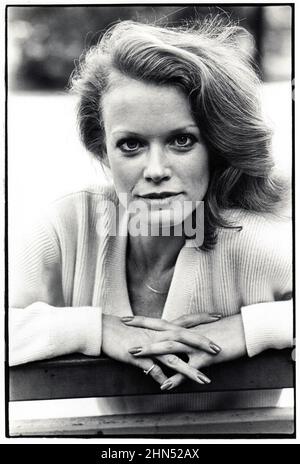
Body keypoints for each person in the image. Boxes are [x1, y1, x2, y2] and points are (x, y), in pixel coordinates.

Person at [9, 18, 293, 393]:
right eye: (131, 145)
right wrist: (96, 328)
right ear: (104, 151)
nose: (156, 170)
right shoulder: (65, 227)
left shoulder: (260, 242)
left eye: (181, 141)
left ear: (216, 146)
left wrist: (249, 328)